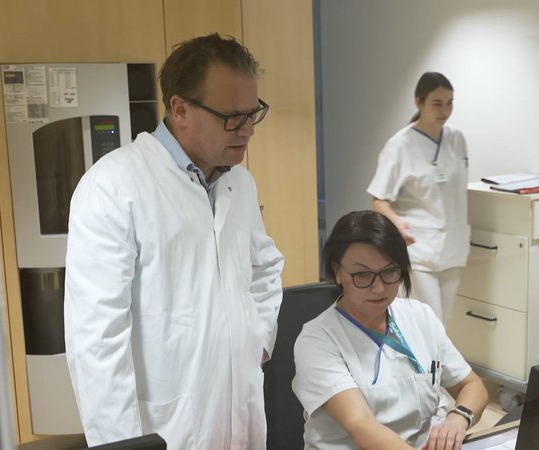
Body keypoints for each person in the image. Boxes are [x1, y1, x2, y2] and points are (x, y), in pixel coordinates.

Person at [64, 33, 284, 450]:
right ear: (180, 109)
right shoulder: (113, 187)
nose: (248, 130)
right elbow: (97, 340)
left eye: (253, 113)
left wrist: (256, 340)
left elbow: (264, 268)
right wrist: (125, 445)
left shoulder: (239, 182)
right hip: (168, 428)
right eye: (233, 117)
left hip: (241, 415)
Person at [292, 210, 488, 450]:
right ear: (337, 272)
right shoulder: (317, 340)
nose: (378, 288)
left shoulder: (419, 316)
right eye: (363, 275)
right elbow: (362, 426)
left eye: (389, 272)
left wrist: (459, 417)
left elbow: (472, 385)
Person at [367, 72, 470, 322]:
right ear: (419, 102)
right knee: (428, 323)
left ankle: (434, 363)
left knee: (442, 323)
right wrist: (397, 222)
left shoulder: (456, 139)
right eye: (437, 103)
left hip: (453, 247)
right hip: (418, 248)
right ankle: (424, 363)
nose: (445, 110)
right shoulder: (400, 146)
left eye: (450, 102)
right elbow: (378, 199)